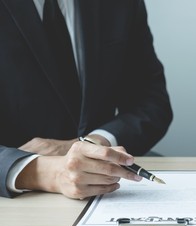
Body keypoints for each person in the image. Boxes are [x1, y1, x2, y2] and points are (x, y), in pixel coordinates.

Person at [0, 0, 173, 199]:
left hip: (103, 190)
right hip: (18, 198)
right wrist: (38, 171)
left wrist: (93, 143)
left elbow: (151, 102)